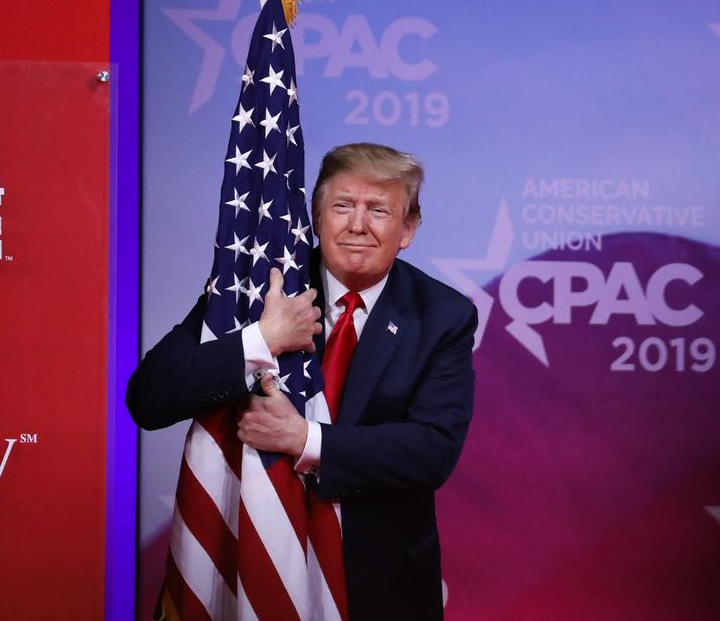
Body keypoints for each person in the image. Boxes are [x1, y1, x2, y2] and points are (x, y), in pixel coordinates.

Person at [128, 142, 477, 621]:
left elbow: (432, 450)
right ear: (315, 216)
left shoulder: (443, 315)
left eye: (379, 210)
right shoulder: (254, 291)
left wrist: (304, 439)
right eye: (342, 206)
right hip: (249, 569)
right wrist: (260, 339)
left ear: (409, 229)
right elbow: (149, 398)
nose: (358, 225)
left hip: (378, 589)